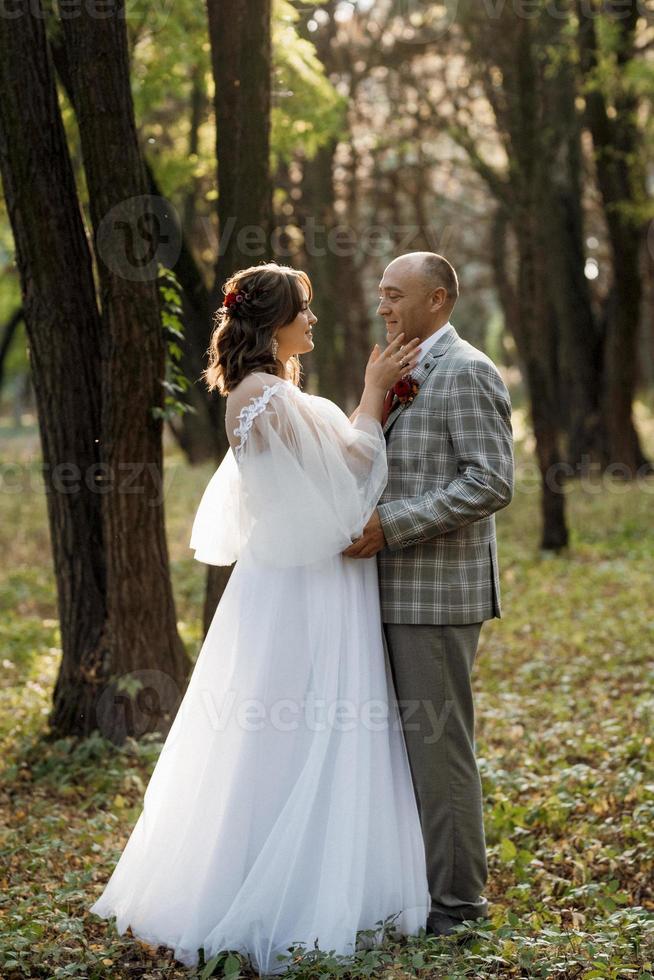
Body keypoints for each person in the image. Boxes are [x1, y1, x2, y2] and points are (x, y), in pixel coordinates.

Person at [89, 261, 431, 975]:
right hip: (311, 585)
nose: (313, 322)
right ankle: (291, 892)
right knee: (306, 723)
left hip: (277, 583)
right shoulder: (273, 397)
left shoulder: (254, 393)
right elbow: (354, 470)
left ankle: (265, 869)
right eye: (303, 312)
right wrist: (372, 394)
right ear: (274, 322)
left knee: (271, 726)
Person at [343, 252, 514, 936]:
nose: (383, 306)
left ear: (437, 300)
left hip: (437, 597)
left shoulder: (468, 371)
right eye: (381, 294)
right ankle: (419, 890)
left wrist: (393, 524)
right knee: (409, 753)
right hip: (388, 591)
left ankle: (459, 908)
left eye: (395, 295)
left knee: (440, 755)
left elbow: (491, 481)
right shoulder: (401, 367)